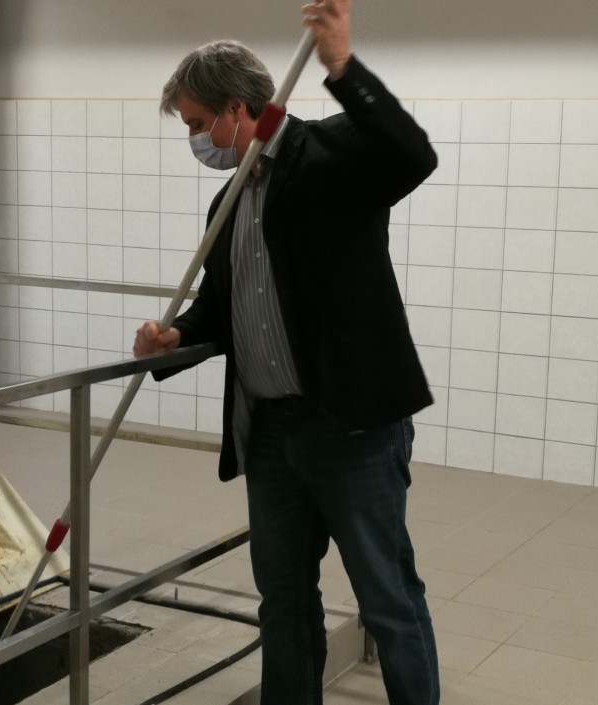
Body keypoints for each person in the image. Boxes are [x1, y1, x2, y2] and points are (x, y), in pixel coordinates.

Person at [133, 2, 440, 702]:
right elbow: (222, 311)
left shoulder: (328, 156)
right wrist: (174, 340)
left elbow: (412, 156)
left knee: (388, 597)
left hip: (351, 428)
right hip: (270, 436)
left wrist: (342, 65)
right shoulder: (228, 203)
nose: (195, 139)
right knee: (284, 600)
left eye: (196, 123)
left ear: (236, 110)